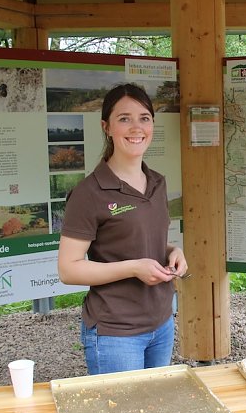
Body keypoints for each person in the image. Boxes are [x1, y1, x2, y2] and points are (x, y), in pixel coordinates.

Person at [58, 83, 187, 375]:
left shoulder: (157, 182)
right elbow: (69, 269)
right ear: (107, 127)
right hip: (116, 332)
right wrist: (134, 268)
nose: (136, 127)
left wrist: (172, 251)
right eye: (124, 118)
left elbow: (140, 240)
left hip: (162, 323)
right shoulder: (89, 193)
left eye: (144, 118)